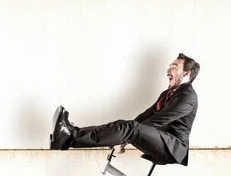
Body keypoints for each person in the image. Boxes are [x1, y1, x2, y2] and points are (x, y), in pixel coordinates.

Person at [50, 53, 200, 166]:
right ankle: (68, 136)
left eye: (174, 67)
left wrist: (124, 139)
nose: (169, 69)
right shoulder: (167, 94)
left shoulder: (188, 97)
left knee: (130, 127)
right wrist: (122, 138)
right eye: (169, 66)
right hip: (160, 140)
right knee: (127, 124)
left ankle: (69, 137)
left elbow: (160, 119)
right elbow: (144, 117)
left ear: (186, 73)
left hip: (172, 148)